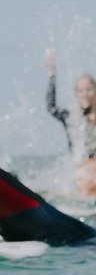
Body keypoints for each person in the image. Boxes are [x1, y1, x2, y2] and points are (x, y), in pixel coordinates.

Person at [43, 49, 96, 196]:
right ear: (76, 94)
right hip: (80, 169)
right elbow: (51, 108)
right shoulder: (71, 117)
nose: (85, 94)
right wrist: (52, 74)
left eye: (89, 89)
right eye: (80, 91)